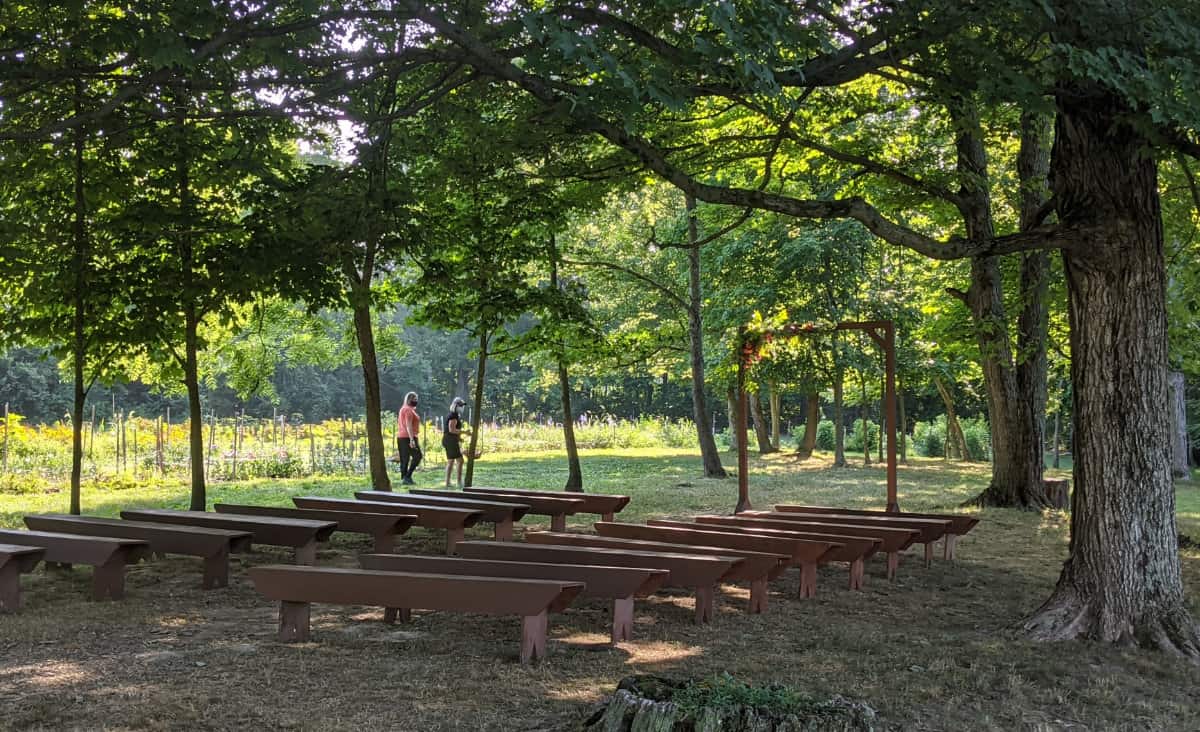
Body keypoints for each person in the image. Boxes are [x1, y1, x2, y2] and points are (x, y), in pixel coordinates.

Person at [442, 397, 470, 488]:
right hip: (450, 441)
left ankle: (448, 482)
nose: (462, 407)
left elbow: (452, 431)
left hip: (450, 440)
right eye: (460, 405)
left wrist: (459, 438)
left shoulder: (454, 415)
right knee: (459, 460)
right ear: (456, 406)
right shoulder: (453, 415)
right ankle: (458, 481)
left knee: (451, 461)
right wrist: (465, 432)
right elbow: (451, 430)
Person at [397, 391, 422, 485]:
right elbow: (408, 425)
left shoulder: (403, 409)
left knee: (405, 458)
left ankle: (405, 478)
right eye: (414, 399)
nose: (416, 401)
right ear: (408, 400)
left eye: (416, 399)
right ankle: (407, 476)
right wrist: (412, 439)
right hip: (408, 437)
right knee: (418, 456)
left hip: (401, 436)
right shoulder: (408, 410)